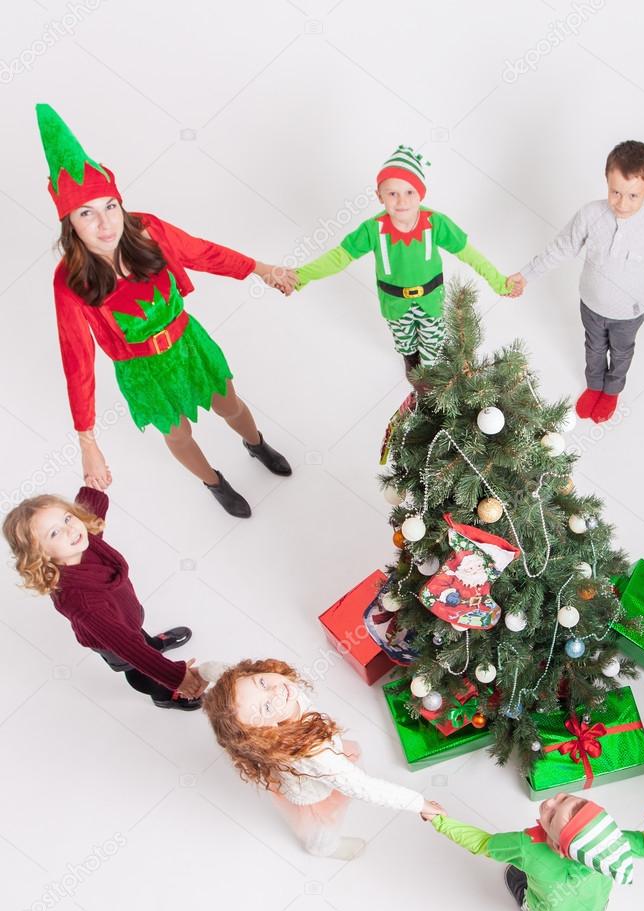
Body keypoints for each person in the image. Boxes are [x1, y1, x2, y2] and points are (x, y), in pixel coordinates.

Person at [38, 103, 293, 518]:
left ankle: (256, 444)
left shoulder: (148, 230)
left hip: (187, 345)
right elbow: (77, 361)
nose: (105, 224)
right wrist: (88, 441)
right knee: (177, 434)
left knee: (231, 405)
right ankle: (215, 483)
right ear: (70, 224)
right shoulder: (69, 282)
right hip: (143, 372)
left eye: (110, 206)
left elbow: (204, 253)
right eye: (87, 213)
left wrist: (261, 270)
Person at [508, 140, 644, 423]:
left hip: (629, 315)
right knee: (593, 349)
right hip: (591, 306)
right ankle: (594, 386)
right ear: (606, 181)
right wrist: (525, 275)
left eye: (633, 196)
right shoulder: (590, 214)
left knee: (621, 354)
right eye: (615, 192)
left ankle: (612, 391)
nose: (622, 203)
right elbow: (560, 248)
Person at [285, 145, 514, 380]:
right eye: (392, 193)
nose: (401, 201)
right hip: (394, 304)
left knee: (432, 347)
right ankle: (414, 370)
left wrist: (499, 281)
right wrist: (300, 275)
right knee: (406, 346)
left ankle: (433, 383)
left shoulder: (436, 223)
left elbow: (469, 254)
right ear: (379, 196)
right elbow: (339, 257)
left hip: (431, 301)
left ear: (421, 194)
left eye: (409, 192)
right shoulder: (372, 229)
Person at [201, 659, 443, 859]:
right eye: (265, 707)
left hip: (307, 762)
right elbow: (366, 788)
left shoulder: (252, 691)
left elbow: (222, 671)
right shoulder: (315, 754)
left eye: (262, 681)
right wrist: (419, 803)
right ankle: (323, 849)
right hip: (312, 791)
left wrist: (200, 672)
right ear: (267, 731)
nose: (275, 691)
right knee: (322, 828)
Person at [3, 486, 205, 710]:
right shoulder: (82, 603)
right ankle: (163, 695)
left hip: (125, 614)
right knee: (137, 666)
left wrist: (94, 483)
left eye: (68, 518)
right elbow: (128, 647)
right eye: (54, 532)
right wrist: (175, 677)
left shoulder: (82, 544)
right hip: (114, 642)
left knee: (137, 632)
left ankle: (153, 645)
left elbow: (91, 513)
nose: (70, 529)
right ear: (40, 554)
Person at [423, 792, 644, 911]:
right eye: (565, 799)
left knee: (521, 884)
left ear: (558, 847)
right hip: (597, 904)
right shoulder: (613, 842)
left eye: (551, 817)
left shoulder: (526, 846)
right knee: (587, 901)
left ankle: (526, 904)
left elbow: (482, 843)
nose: (550, 803)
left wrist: (441, 821)